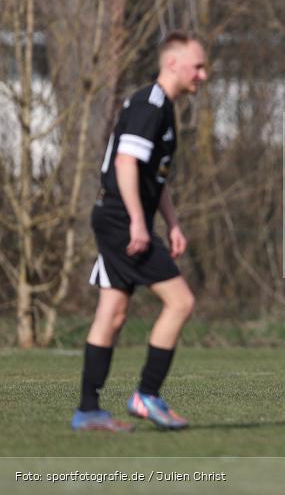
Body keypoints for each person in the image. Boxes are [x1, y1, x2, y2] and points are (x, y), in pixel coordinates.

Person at [71, 31, 207, 431]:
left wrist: (173, 221)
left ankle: (88, 411)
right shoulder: (150, 105)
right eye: (197, 65)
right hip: (120, 220)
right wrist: (136, 221)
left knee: (112, 313)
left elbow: (155, 178)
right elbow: (126, 164)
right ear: (172, 64)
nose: (203, 73)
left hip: (120, 217)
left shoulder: (163, 108)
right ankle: (147, 395)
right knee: (180, 302)